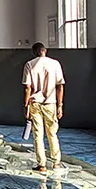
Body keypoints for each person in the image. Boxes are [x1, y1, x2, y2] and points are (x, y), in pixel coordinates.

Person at [22, 43, 65, 172]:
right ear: (45, 51)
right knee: (52, 133)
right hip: (51, 103)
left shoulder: (29, 64)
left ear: (34, 52)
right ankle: (56, 162)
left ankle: (42, 164)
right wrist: (60, 105)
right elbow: (60, 86)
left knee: (38, 134)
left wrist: (26, 106)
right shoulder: (55, 64)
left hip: (35, 103)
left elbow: (27, 88)